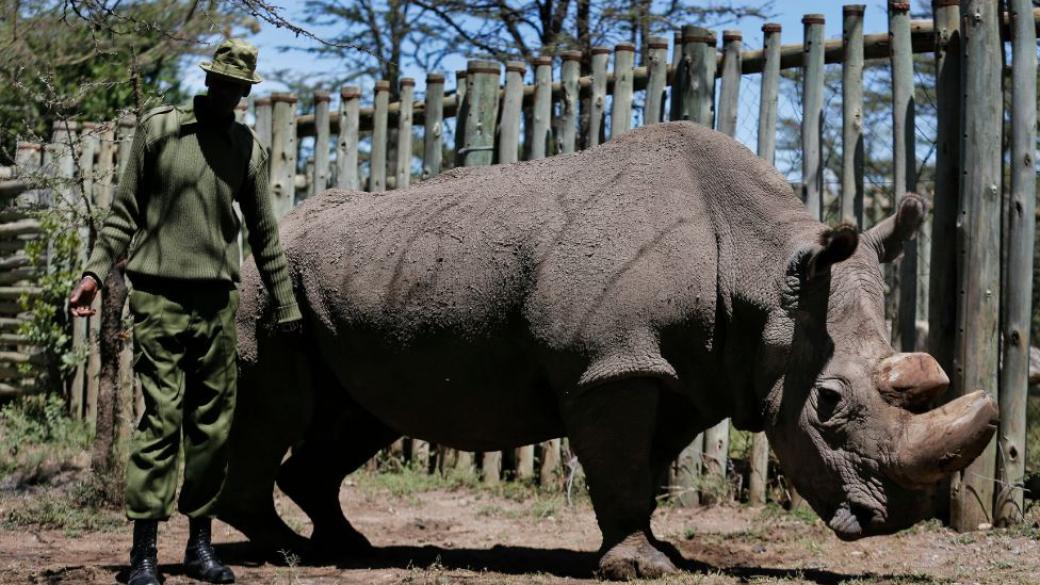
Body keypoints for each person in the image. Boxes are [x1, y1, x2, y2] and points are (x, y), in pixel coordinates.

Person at [68, 39, 301, 585]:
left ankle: (200, 547)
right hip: (159, 297)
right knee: (162, 419)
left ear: (246, 92)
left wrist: (285, 303)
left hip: (218, 302)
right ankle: (143, 556)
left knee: (213, 426)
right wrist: (94, 274)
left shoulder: (247, 148)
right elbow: (123, 212)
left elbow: (265, 235)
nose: (229, 94)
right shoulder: (161, 130)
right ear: (208, 81)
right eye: (221, 83)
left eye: (239, 88)